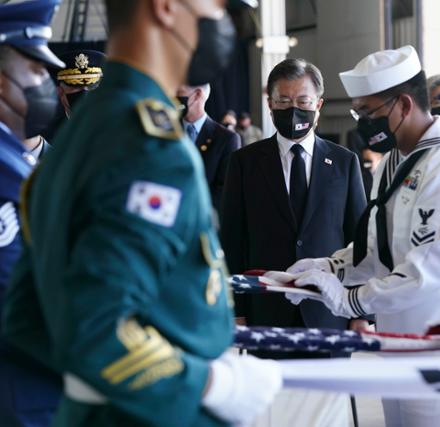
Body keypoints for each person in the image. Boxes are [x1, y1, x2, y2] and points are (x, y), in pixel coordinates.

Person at [1, 1, 282, 426]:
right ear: (166, 7)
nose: (224, 23)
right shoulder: (148, 144)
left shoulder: (85, 129)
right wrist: (213, 386)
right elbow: (97, 325)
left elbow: (26, 318)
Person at [284, 45, 440, 427]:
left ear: (402, 105)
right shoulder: (394, 163)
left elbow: (427, 274)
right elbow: (377, 247)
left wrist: (348, 300)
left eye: (368, 112)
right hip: (399, 343)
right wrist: (328, 270)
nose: (362, 123)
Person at [220, 57, 367, 427]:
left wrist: (363, 312)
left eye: (302, 101)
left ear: (319, 104)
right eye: (283, 101)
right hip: (266, 315)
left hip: (329, 313)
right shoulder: (244, 163)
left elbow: (361, 241)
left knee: (328, 413)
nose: (293, 110)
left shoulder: (345, 163)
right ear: (269, 104)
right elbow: (233, 239)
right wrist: (236, 309)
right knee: (274, 413)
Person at [0, 2, 65, 426]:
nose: (47, 82)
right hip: (20, 388)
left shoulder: (12, 158)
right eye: (37, 70)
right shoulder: (4, 168)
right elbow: (18, 288)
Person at [177, 83, 241, 213]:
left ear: (197, 95)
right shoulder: (165, 130)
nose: (174, 96)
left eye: (180, 93)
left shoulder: (226, 139)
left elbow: (224, 190)